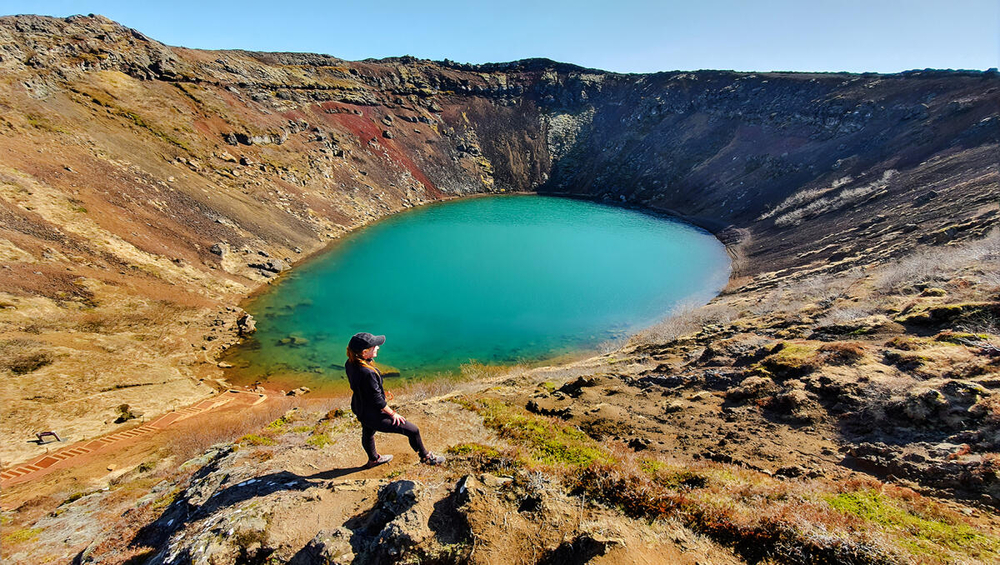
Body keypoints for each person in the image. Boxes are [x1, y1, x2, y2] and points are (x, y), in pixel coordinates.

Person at [345, 332, 445, 468]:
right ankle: (426, 457)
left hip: (360, 407)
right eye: (374, 346)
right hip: (374, 414)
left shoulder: (351, 363)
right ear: (364, 352)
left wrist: (378, 392)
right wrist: (392, 413)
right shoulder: (367, 372)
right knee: (413, 430)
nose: (378, 348)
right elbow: (378, 402)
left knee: (368, 433)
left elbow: (362, 387)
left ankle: (374, 459)